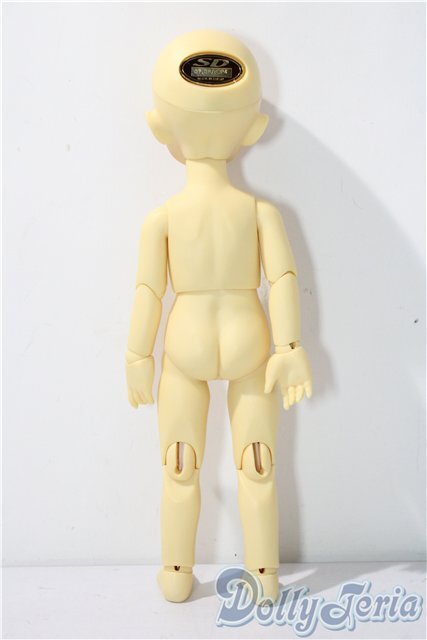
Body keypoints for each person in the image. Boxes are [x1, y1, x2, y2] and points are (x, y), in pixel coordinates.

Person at [125, 29, 312, 603]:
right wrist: (289, 348)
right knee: (258, 463)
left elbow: (148, 292)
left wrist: (137, 355)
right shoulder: (259, 212)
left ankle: (178, 573)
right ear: (253, 129)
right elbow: (283, 279)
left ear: (159, 128)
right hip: (251, 342)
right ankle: (264, 576)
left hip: (184, 348)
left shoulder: (162, 218)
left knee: (179, 465)